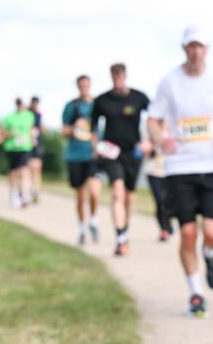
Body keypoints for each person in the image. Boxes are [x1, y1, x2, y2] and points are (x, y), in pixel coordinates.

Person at [148, 26, 213, 317]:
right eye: (191, 46)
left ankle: (211, 255)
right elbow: (153, 120)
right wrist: (161, 139)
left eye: (200, 46)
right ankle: (196, 293)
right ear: (184, 48)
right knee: (187, 233)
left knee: (212, 233)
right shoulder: (169, 82)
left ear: (207, 49)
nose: (196, 51)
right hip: (179, 167)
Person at [91, 63, 150, 256]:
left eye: (120, 76)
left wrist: (149, 141)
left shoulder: (139, 97)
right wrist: (95, 147)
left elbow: (156, 117)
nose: (117, 79)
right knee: (117, 192)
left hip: (133, 153)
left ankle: (125, 228)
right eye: (114, 76)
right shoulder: (102, 100)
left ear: (125, 76)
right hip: (111, 153)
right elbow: (92, 127)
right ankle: (121, 237)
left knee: (129, 196)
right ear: (110, 77)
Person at [62, 75, 101, 246]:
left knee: (94, 191)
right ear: (78, 86)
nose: (84, 88)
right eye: (81, 85)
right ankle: (82, 228)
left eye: (86, 85)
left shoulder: (97, 105)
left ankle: (93, 220)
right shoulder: (71, 107)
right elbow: (63, 132)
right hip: (75, 155)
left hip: (92, 155)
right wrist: (74, 126)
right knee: (80, 196)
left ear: (90, 86)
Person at [0, 98, 35, 208]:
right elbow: (2, 133)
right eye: (18, 104)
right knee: (14, 172)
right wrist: (11, 134)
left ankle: (24, 195)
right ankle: (13, 193)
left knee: (24, 169)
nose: (20, 106)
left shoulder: (29, 116)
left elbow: (31, 129)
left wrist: (32, 138)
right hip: (12, 148)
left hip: (25, 147)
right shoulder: (9, 117)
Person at [146, 147, 173, 242]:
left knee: (168, 202)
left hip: (170, 173)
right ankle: (164, 228)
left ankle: (167, 224)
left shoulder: (174, 132)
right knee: (160, 201)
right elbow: (145, 150)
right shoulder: (152, 134)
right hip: (153, 173)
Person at [28, 96, 44, 204]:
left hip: (37, 143)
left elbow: (39, 128)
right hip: (27, 144)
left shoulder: (39, 115)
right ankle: (28, 189)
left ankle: (36, 191)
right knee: (28, 168)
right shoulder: (26, 114)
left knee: (37, 168)